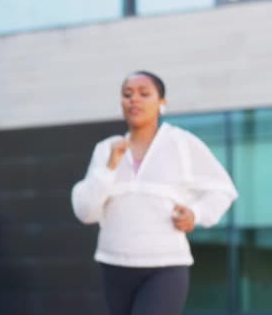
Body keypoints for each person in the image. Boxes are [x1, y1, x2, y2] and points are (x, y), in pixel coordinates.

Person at [71, 71, 238, 315]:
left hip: (166, 267)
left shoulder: (181, 143)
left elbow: (223, 189)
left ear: (162, 103)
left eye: (144, 93)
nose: (134, 100)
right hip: (114, 266)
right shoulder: (106, 149)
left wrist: (196, 213)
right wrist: (109, 168)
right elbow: (86, 212)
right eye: (127, 94)